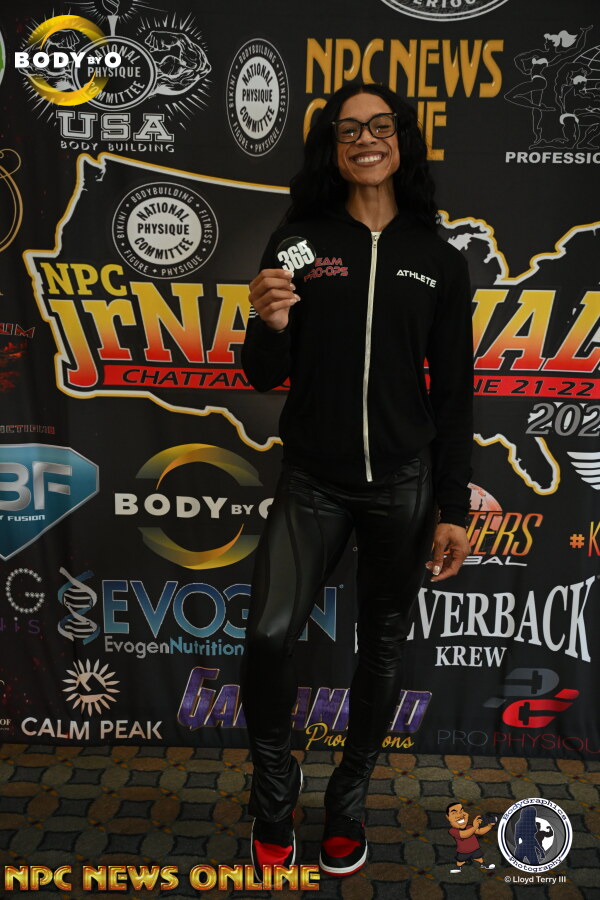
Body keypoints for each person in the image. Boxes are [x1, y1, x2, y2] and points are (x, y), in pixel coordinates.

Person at [240, 81, 474, 880]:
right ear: (331, 147)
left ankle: (347, 800)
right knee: (268, 637)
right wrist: (268, 323)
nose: (365, 139)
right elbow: (263, 372)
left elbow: (455, 395)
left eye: (380, 126)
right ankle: (275, 796)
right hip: (313, 481)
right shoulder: (299, 243)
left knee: (381, 652)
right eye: (349, 129)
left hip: (403, 486)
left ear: (402, 141)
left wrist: (452, 507)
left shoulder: (438, 259)